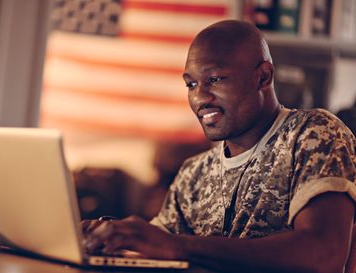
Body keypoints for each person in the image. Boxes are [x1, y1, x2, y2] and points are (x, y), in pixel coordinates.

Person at [82, 20, 356, 273]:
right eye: (191, 84)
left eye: (215, 79)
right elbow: (152, 253)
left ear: (263, 77)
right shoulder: (193, 174)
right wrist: (108, 239)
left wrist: (180, 246)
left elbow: (324, 255)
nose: (200, 97)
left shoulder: (313, 134)